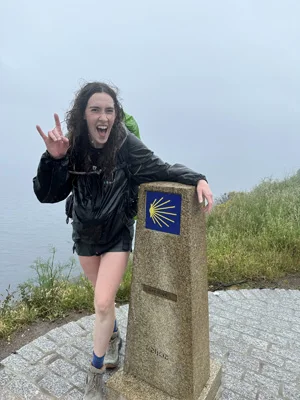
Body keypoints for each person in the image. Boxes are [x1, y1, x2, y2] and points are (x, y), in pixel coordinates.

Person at [33, 82, 213, 399]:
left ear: (116, 116)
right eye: (95, 110)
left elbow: (162, 168)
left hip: (116, 234)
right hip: (85, 236)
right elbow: (49, 194)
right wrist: (54, 159)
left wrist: (198, 178)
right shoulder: (71, 146)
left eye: (109, 110)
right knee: (102, 302)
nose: (103, 117)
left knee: (103, 302)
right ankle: (113, 336)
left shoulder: (125, 145)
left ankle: (95, 373)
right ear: (83, 115)